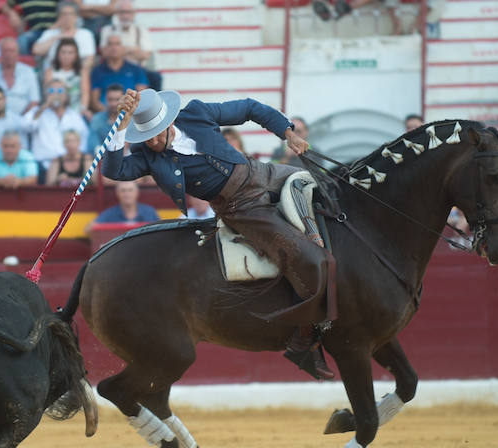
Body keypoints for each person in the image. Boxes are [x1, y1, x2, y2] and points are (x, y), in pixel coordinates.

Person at [103, 88, 334, 379]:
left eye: (156, 134)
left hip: (265, 174)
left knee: (328, 190)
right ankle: (303, 340)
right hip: (243, 208)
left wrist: (288, 133)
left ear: (170, 122)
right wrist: (122, 126)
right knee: (304, 255)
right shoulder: (146, 156)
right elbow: (115, 170)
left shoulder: (196, 113)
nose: (152, 142)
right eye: (146, 136)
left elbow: (249, 107)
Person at [21, 78, 89, 175]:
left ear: (66, 96)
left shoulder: (74, 116)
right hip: (43, 165)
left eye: (60, 91)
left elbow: (84, 141)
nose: (56, 94)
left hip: (70, 165)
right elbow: (26, 126)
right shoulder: (37, 111)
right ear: (46, 95)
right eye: (51, 91)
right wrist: (45, 105)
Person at [99, 0, 160, 89]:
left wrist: (118, 51)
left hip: (138, 70)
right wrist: (134, 49)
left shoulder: (141, 30)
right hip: (114, 70)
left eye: (129, 12)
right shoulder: (107, 30)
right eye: (122, 12)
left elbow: (146, 55)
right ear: (117, 13)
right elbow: (105, 53)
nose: (125, 16)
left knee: (155, 77)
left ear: (134, 14)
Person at [89, 31, 148, 113]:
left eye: (117, 44)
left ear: (124, 48)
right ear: (104, 49)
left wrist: (127, 113)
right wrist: (111, 114)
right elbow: (95, 102)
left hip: (131, 113)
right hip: (105, 115)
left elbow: (142, 97)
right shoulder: (97, 71)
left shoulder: (136, 70)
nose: (114, 47)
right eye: (110, 44)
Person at [32, 2, 96, 72]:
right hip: (51, 74)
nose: (67, 17)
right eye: (64, 14)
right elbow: (36, 50)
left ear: (76, 17)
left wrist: (75, 74)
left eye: (71, 14)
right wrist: (57, 37)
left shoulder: (85, 34)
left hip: (77, 74)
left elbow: (89, 59)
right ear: (58, 17)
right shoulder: (50, 33)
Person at [86, 179, 157, 232]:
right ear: (117, 194)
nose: (127, 194)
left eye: (130, 190)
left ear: (137, 192)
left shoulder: (149, 212)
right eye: (123, 190)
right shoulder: (110, 213)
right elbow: (88, 229)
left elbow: (160, 230)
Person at [43, 37, 90, 115]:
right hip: (54, 110)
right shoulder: (50, 72)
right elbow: (48, 95)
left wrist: (83, 109)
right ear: (58, 54)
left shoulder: (82, 72)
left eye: (70, 52)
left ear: (76, 55)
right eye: (63, 52)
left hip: (77, 112)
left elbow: (85, 94)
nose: (66, 56)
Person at [88, 82, 122, 150]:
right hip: (103, 155)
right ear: (106, 99)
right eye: (110, 99)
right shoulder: (97, 120)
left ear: (123, 100)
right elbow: (94, 146)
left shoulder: (129, 119)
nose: (113, 103)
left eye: (117, 100)